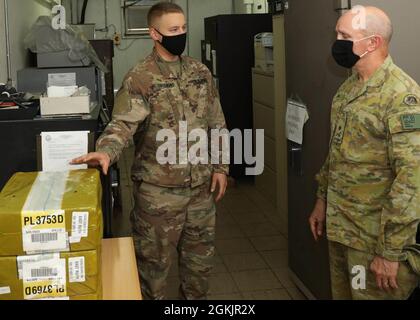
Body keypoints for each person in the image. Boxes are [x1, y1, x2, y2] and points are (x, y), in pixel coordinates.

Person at [72, 2, 229, 300]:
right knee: (152, 275)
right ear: (154, 34)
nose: (180, 35)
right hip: (158, 196)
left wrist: (221, 168)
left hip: (200, 194)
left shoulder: (200, 72)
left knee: (199, 272)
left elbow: (217, 122)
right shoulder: (140, 77)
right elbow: (122, 124)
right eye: (173, 30)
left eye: (183, 28)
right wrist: (105, 151)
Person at [309, 6, 420, 300]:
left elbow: (412, 181)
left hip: (374, 241)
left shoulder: (401, 96)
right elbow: (337, 153)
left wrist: (390, 251)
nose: (336, 41)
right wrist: (322, 200)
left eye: (345, 35)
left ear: (372, 43)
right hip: (342, 229)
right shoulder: (347, 90)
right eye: (336, 33)